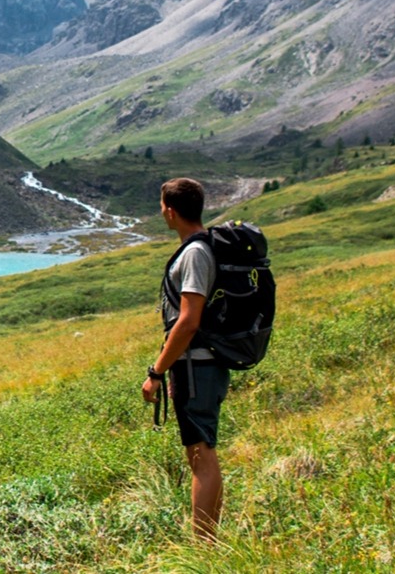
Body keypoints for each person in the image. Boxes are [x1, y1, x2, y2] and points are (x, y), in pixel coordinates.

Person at [141, 177, 229, 541]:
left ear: (171, 211)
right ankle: (206, 538)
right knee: (202, 452)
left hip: (195, 367)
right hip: (200, 365)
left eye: (162, 205)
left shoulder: (194, 253)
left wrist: (156, 371)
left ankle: (203, 546)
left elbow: (189, 320)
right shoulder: (201, 246)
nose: (161, 211)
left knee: (201, 455)